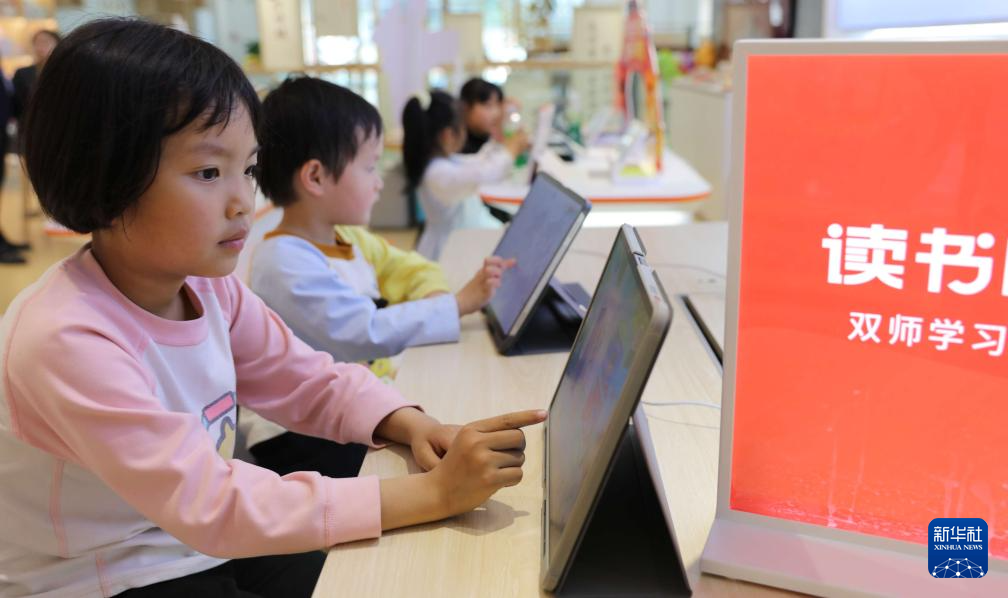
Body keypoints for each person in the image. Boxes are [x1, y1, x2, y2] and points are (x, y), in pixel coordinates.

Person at [0, 18, 544, 597]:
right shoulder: (66, 338)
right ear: (105, 176)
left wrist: (411, 424)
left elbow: (303, 377)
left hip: (193, 543)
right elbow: (212, 503)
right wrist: (432, 494)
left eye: (250, 169)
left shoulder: (208, 287)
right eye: (209, 172)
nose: (243, 200)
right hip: (99, 576)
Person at [245, 76, 515, 478]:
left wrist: (437, 298)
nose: (379, 181)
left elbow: (405, 269)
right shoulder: (283, 260)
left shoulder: (343, 237)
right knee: (423, 465)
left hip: (347, 404)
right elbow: (364, 331)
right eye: (369, 167)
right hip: (294, 434)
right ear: (315, 177)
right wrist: (455, 305)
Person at [402, 89, 527, 260]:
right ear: (447, 135)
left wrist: (502, 138)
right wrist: (511, 150)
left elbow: (480, 161)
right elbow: (484, 173)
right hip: (448, 252)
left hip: (459, 242)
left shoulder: (444, 162)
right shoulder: (437, 173)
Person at [458, 77, 504, 155]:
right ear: (466, 107)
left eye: (498, 105)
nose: (496, 113)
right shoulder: (456, 146)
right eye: (488, 105)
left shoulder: (491, 140)